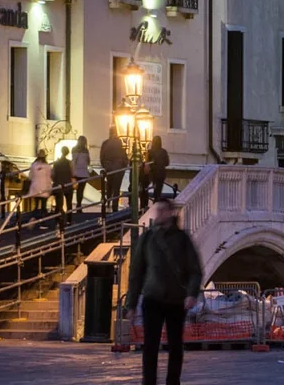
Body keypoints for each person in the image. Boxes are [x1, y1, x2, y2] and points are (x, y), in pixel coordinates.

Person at [124, 198, 202, 385]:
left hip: (176, 300)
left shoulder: (182, 239)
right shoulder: (147, 238)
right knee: (150, 346)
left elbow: (195, 270)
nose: (157, 214)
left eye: (161, 210)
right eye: (156, 210)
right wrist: (131, 304)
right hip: (153, 298)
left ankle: (173, 382)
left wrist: (191, 294)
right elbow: (136, 273)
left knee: (175, 346)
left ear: (170, 213)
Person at [100, 126, 129, 214]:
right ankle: (114, 206)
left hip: (108, 167)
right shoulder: (120, 142)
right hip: (118, 168)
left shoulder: (105, 143)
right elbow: (124, 157)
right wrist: (124, 165)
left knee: (109, 185)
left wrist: (105, 166)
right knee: (116, 188)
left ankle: (107, 203)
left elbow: (102, 157)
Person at [143, 136, 170, 210]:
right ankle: (156, 204)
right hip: (161, 173)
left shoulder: (150, 152)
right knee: (158, 190)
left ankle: (146, 204)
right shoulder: (164, 151)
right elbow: (167, 163)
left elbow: (147, 163)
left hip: (153, 172)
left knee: (147, 187)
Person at [26, 149, 52, 224]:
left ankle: (33, 220)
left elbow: (30, 176)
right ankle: (43, 222)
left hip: (35, 187)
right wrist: (49, 187)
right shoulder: (47, 166)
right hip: (44, 188)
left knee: (36, 204)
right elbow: (48, 178)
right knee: (43, 205)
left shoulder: (34, 165)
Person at [52, 146, 73, 230]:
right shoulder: (69, 163)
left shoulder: (56, 163)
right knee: (69, 203)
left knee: (59, 204)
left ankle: (57, 220)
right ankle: (69, 220)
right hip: (68, 184)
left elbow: (53, 175)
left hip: (58, 185)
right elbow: (73, 173)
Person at [71, 136, 91, 214]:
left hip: (75, 172)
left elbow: (73, 160)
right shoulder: (86, 150)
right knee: (81, 190)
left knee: (74, 190)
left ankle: (71, 206)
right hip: (84, 173)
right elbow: (88, 161)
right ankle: (79, 205)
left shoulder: (74, 149)